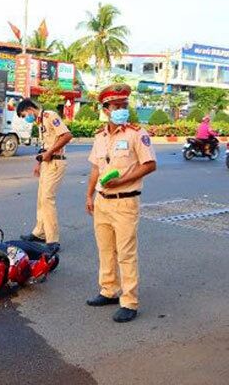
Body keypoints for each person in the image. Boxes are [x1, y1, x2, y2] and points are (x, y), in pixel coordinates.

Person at [85, 83, 157, 323]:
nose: (122, 110)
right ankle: (108, 290)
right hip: (102, 201)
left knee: (126, 254)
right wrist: (89, 195)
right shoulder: (100, 136)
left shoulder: (137, 133)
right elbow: (96, 167)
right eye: (117, 106)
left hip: (126, 202)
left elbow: (149, 165)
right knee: (105, 250)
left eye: (125, 105)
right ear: (106, 109)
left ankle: (129, 301)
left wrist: (122, 181)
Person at [17, 99, 73, 252]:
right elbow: (45, 147)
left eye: (24, 115)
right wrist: (39, 164)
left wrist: (49, 153)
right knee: (41, 199)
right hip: (47, 163)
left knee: (47, 199)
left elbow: (67, 136)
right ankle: (40, 232)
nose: (25, 118)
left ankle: (52, 239)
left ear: (29, 109)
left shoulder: (50, 116)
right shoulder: (40, 122)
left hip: (56, 163)